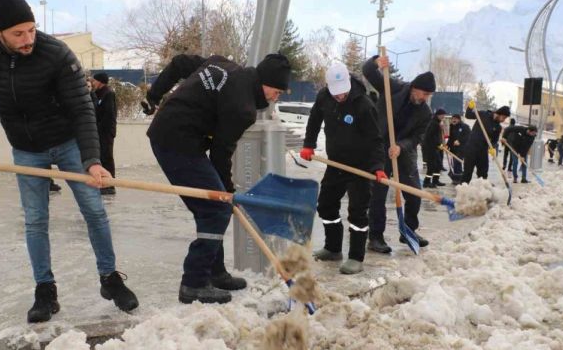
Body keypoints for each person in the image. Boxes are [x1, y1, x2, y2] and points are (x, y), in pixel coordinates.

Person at [0, 0, 138, 323]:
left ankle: (110, 279)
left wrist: (93, 160)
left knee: (94, 210)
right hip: (26, 148)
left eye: (31, 30)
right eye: (18, 34)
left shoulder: (56, 54)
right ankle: (45, 290)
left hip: (68, 143)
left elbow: (82, 109)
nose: (28, 40)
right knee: (36, 220)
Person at [145, 52, 291, 304]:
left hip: (172, 133)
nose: (276, 97)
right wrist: (227, 192)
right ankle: (194, 283)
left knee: (215, 207)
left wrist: (154, 94)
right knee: (215, 210)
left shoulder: (221, 63)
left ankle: (216, 272)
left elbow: (180, 63)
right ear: (264, 82)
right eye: (276, 91)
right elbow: (221, 154)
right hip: (176, 142)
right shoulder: (243, 108)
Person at [299, 63, 385, 274]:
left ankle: (356, 258)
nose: (340, 96)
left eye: (343, 92)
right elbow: (314, 120)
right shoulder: (324, 97)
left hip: (360, 167)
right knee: (326, 205)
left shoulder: (363, 104)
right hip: (336, 163)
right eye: (336, 93)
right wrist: (309, 144)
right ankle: (333, 247)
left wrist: (377, 167)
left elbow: (375, 140)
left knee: (357, 211)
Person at [362, 54, 435, 254]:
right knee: (378, 195)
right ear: (414, 87)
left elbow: (417, 137)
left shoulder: (425, 113)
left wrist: (401, 146)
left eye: (428, 95)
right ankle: (375, 237)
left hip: (403, 152)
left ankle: (408, 231)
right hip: (380, 148)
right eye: (423, 93)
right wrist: (376, 62)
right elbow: (368, 71)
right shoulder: (393, 87)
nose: (424, 98)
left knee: (414, 194)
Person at [462, 102, 510, 183]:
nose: (503, 120)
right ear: (499, 113)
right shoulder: (484, 114)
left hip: (483, 150)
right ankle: (463, 192)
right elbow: (468, 115)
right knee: (467, 173)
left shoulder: (498, 127)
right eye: (504, 117)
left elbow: (494, 140)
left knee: (483, 174)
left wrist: (493, 148)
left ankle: (482, 192)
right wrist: (469, 107)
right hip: (471, 148)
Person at [91, 72, 118, 195]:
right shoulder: (97, 94)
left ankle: (110, 184)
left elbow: (109, 115)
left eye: (94, 80)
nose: (92, 82)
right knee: (100, 157)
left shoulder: (108, 94)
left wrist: (101, 129)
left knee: (106, 157)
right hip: (97, 132)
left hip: (105, 132)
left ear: (101, 81)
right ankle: (101, 183)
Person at [422, 108, 447, 188]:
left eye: (444, 115)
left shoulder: (438, 123)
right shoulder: (433, 124)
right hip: (431, 148)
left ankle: (435, 181)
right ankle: (427, 182)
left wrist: (441, 144)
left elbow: (438, 136)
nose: (443, 117)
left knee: (438, 165)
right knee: (432, 166)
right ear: (438, 115)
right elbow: (430, 136)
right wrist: (438, 144)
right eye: (442, 115)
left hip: (436, 147)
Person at [447, 114, 470, 183]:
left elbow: (468, 136)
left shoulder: (465, 127)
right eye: (453, 119)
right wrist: (448, 145)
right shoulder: (451, 127)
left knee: (457, 162)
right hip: (454, 148)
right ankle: (456, 178)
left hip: (462, 148)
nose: (454, 120)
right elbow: (451, 138)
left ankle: (459, 178)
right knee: (454, 163)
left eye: (455, 119)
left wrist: (460, 141)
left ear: (459, 119)